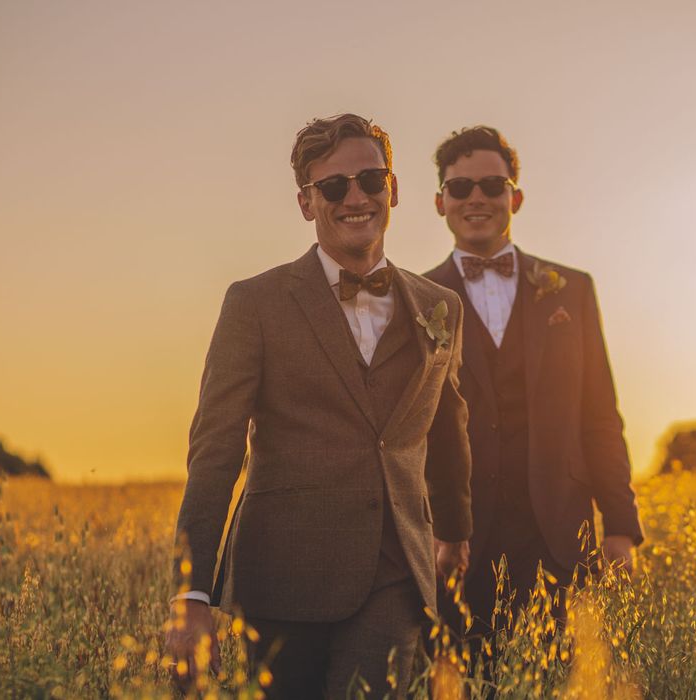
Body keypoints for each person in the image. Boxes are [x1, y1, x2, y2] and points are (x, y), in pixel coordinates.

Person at [165, 113, 473, 699]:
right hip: (282, 572)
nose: (355, 197)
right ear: (307, 202)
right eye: (334, 186)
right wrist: (191, 591)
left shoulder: (441, 307)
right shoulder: (254, 303)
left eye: (370, 180)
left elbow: (447, 420)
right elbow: (215, 450)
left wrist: (455, 530)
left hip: (394, 573)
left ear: (395, 189)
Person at [424, 126, 644, 637]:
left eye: (492, 186)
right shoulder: (416, 296)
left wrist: (620, 527)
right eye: (460, 188)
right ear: (440, 202)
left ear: (514, 197)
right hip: (454, 545)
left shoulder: (574, 290)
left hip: (560, 536)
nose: (476, 197)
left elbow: (600, 414)